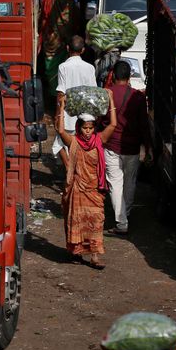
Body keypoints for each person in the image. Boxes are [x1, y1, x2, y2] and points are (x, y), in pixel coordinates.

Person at [56, 91, 117, 269]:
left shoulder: (99, 140)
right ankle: (76, 252)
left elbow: (113, 123)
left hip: (94, 190)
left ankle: (95, 256)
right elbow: (59, 130)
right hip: (78, 189)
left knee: (96, 221)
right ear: (79, 128)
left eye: (91, 128)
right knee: (77, 220)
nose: (88, 132)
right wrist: (61, 106)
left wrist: (111, 99)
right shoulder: (73, 142)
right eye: (85, 128)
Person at [102, 61, 152, 236]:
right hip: (132, 147)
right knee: (129, 182)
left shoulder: (106, 94)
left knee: (115, 184)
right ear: (129, 76)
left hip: (111, 146)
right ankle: (126, 214)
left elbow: (101, 121)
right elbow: (144, 125)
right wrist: (148, 147)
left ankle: (122, 221)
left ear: (113, 76)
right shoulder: (137, 97)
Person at [53, 36, 97, 167]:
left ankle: (68, 170)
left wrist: (57, 115)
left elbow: (61, 93)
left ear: (67, 48)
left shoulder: (63, 67)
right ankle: (74, 172)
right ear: (82, 50)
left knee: (59, 145)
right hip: (85, 118)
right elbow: (93, 93)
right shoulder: (90, 68)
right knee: (80, 147)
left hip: (67, 116)